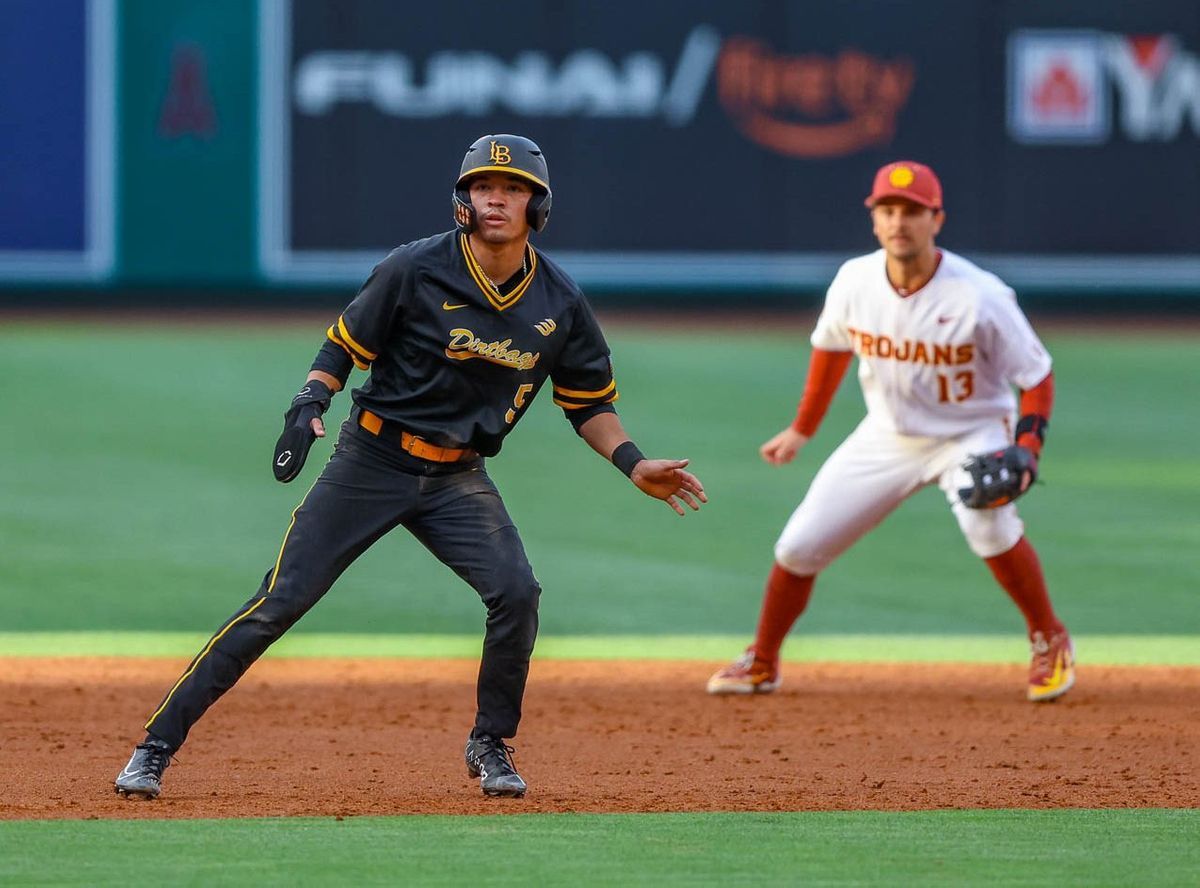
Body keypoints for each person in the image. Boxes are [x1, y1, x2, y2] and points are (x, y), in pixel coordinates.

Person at [114, 134, 706, 801]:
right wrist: (310, 399)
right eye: (484, 187)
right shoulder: (415, 268)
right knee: (280, 601)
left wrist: (632, 463)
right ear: (464, 199)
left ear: (537, 207)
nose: (496, 200)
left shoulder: (559, 303)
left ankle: (490, 744)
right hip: (371, 459)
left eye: (512, 190)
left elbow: (588, 402)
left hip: (457, 478)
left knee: (516, 593)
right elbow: (344, 343)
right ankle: (155, 746)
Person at [706, 160, 1073, 703]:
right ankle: (762, 660)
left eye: (912, 212)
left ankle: (1050, 638)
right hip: (888, 434)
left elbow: (1036, 375)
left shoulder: (981, 295)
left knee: (988, 527)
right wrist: (802, 430)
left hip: (971, 432)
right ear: (875, 220)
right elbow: (830, 350)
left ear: (936, 219)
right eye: (888, 210)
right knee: (799, 546)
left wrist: (1027, 449)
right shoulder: (855, 280)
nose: (899, 221)